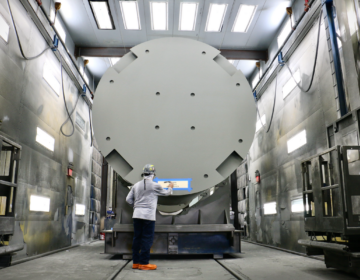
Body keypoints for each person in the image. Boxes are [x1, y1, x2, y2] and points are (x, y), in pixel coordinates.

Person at [126, 164, 174, 270]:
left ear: (143, 174)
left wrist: (136, 206)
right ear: (153, 174)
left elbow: (128, 199)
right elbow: (166, 193)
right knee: (147, 238)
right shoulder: (154, 185)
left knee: (137, 238)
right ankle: (144, 263)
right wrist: (170, 187)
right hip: (148, 216)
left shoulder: (136, 185)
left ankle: (136, 262)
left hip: (137, 215)